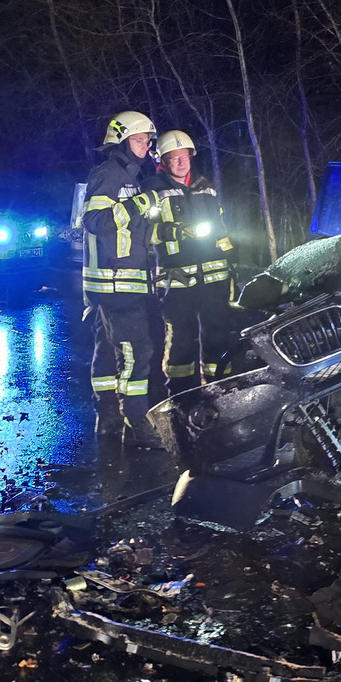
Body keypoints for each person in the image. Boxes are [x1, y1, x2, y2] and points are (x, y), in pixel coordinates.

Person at [82, 111, 164, 448]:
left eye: (148, 139)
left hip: (115, 283)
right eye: (139, 139)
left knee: (105, 352)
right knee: (137, 351)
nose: (146, 145)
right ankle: (138, 424)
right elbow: (96, 220)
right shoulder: (110, 174)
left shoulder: (128, 176)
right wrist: (142, 203)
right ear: (121, 140)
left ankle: (108, 418)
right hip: (118, 284)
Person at [150, 130, 236, 394]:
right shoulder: (153, 190)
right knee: (182, 337)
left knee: (219, 332)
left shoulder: (205, 187)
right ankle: (180, 392)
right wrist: (175, 232)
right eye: (173, 158)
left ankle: (220, 386)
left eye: (184, 156)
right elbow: (145, 233)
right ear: (162, 161)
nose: (180, 162)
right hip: (177, 278)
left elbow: (221, 228)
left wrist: (231, 258)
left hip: (215, 275)